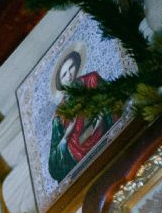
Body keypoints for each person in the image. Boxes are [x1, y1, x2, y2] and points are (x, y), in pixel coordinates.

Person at [48, 50, 116, 183]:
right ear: (60, 82)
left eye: (71, 68)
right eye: (64, 75)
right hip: (79, 162)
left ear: (77, 66)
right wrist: (66, 136)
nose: (69, 75)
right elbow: (53, 164)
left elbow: (113, 99)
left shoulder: (91, 81)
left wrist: (101, 113)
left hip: (108, 143)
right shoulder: (60, 115)